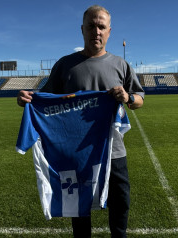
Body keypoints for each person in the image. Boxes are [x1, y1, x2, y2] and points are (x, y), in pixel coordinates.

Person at [17, 5, 144, 237]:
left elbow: (139, 99)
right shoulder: (65, 65)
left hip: (112, 150)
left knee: (120, 200)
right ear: (82, 29)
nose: (96, 31)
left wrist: (128, 97)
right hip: (75, 151)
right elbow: (44, 98)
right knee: (79, 207)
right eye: (91, 26)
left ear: (109, 31)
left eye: (101, 27)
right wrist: (26, 99)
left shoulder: (121, 65)